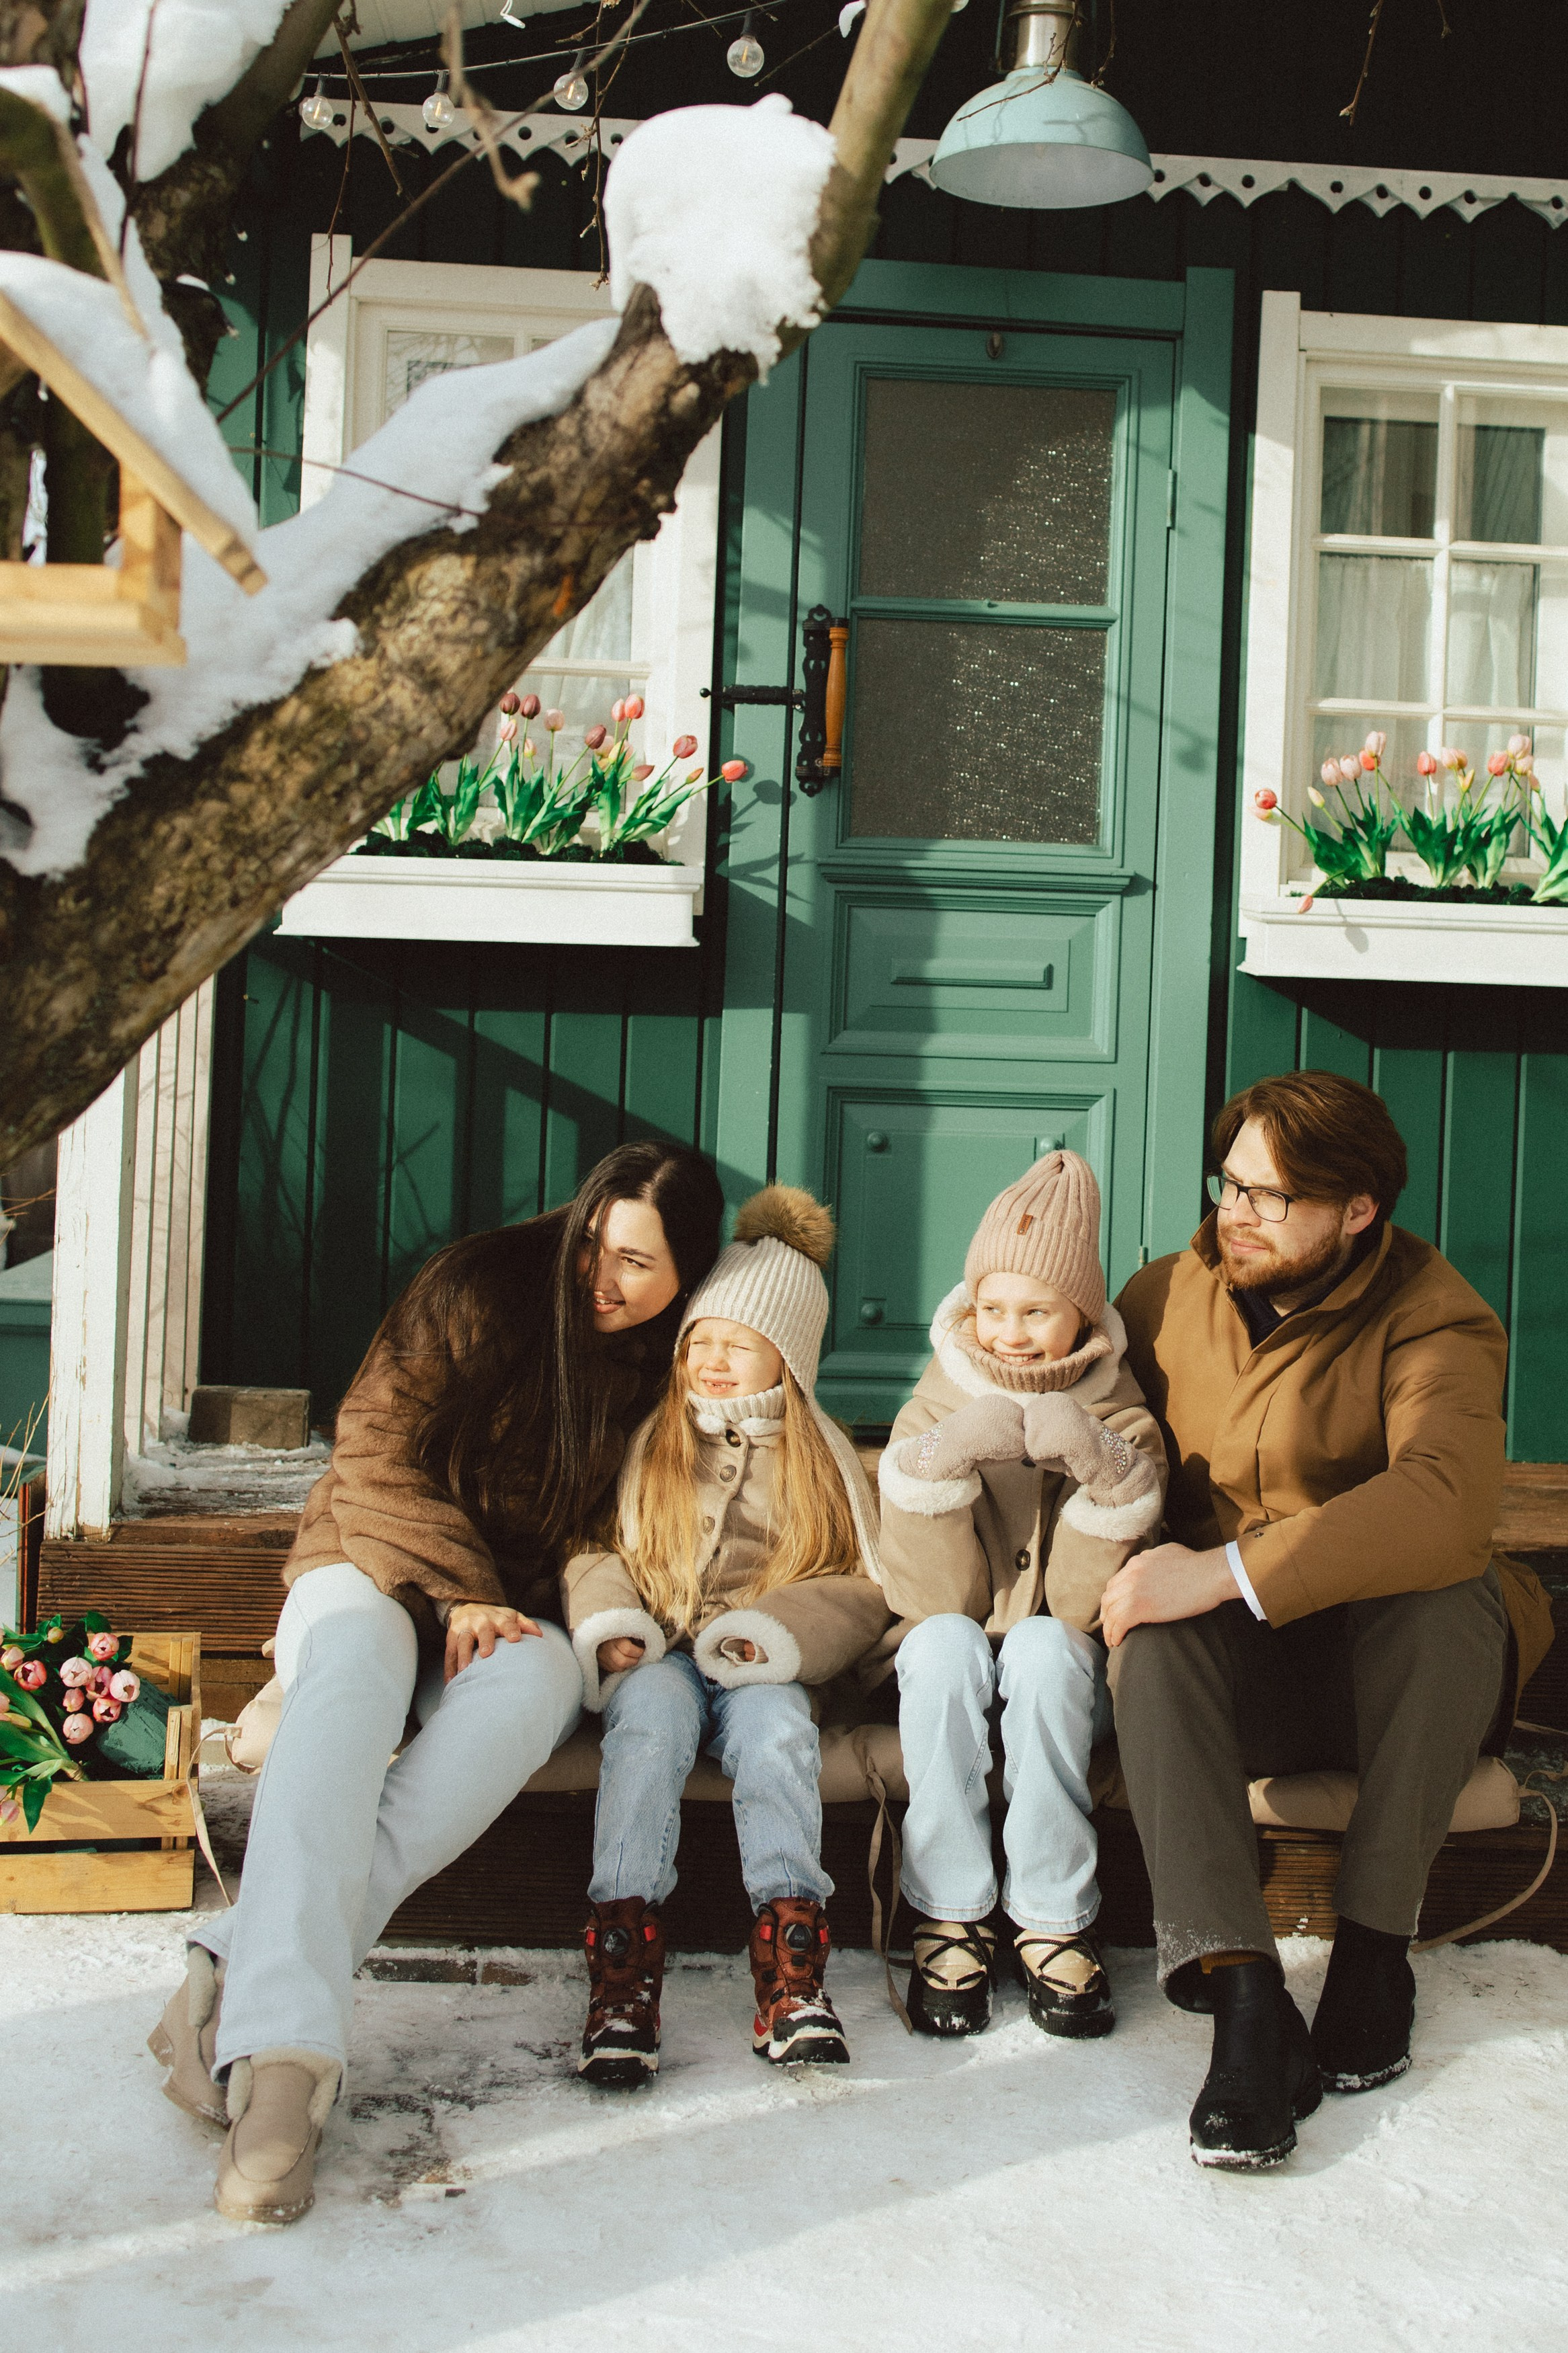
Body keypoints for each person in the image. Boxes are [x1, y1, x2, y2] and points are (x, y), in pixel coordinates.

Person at [148, 1140, 725, 2224]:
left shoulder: (661, 1367)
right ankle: (285, 2067)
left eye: (640, 1265)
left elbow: (623, 1530)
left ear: (686, 1275)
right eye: (596, 1244)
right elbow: (373, 1448)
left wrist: (574, 1618)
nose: (603, 1278)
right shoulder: (475, 1287)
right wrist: (455, 1591)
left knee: (532, 1690)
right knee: (356, 1672)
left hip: (514, 1612)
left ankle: (231, 1959)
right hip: (367, 1558)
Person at [1105, 1070, 1554, 2172]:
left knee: (1444, 1593)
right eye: (1229, 1185)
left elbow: (1442, 1501)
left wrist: (1221, 1573)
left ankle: (1372, 1947)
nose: (1236, 1216)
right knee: (1153, 1635)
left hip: (1394, 1683)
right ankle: (1246, 1998)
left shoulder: (1435, 1315)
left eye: (1272, 1197)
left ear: (1358, 1209)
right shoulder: (1162, 1296)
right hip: (1250, 1682)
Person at [563, 1186, 889, 2084]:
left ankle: (791, 1966)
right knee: (647, 1726)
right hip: (662, 1651)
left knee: (777, 1733)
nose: (709, 1361)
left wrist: (772, 1634)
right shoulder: (651, 1443)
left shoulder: (824, 1463)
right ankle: (622, 1971)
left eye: (734, 1347)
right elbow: (599, 1550)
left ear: (784, 1358)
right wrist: (614, 1626)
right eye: (697, 1343)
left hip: (759, 1663)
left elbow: (858, 1587)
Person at [874, 1150, 1167, 2038]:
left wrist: (1099, 1468)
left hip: (1067, 1665)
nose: (1009, 1333)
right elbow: (929, 1597)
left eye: (1035, 1312)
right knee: (939, 1646)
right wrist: (946, 1459)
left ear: (1080, 1313)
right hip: (952, 1639)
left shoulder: (1119, 1413)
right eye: (991, 1309)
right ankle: (948, 1910)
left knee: (1042, 1649)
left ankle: (1052, 1915)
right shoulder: (933, 1407)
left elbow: (1080, 1609)